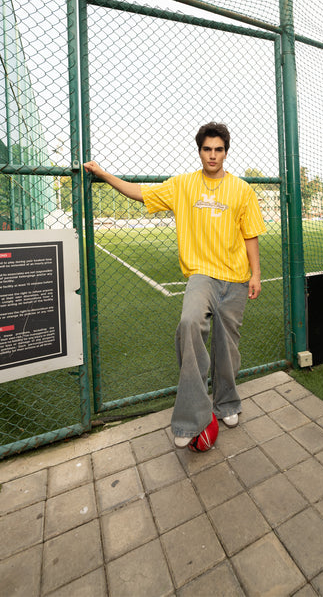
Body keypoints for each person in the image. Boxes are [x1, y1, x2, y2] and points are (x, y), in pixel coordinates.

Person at [84, 122, 266, 448]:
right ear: (199, 151)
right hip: (202, 275)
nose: (213, 155)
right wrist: (105, 174)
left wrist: (255, 274)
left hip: (236, 280)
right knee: (188, 323)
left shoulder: (242, 189)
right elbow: (140, 193)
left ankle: (226, 404)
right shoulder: (182, 185)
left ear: (226, 151)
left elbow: (250, 234)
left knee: (228, 348)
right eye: (207, 149)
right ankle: (189, 419)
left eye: (218, 149)